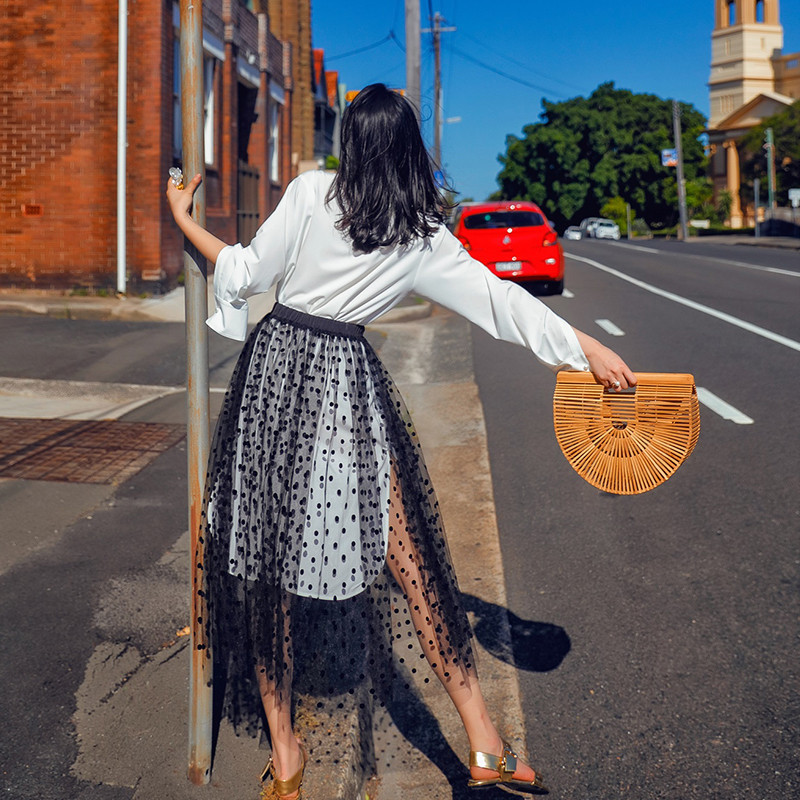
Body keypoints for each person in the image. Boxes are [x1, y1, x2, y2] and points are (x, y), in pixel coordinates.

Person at [167, 83, 636, 799]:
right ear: (410, 151)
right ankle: (483, 740)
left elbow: (241, 273)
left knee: (267, 573)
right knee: (415, 561)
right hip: (348, 389)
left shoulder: (311, 193)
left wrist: (181, 218)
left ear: (352, 141)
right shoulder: (420, 233)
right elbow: (499, 301)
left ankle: (287, 759)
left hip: (276, 381)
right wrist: (585, 347)